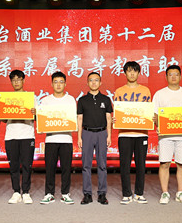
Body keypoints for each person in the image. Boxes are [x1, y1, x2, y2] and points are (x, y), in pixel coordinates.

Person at [152, 65, 182, 204]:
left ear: (180, 76)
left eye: (176, 74)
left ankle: (180, 193)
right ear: (166, 76)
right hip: (165, 136)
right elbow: (155, 115)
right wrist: (157, 124)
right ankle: (165, 193)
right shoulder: (160, 94)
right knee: (164, 164)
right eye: (170, 74)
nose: (173, 77)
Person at [112, 61, 151, 205]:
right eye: (129, 71)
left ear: (139, 73)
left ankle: (139, 193)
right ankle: (126, 194)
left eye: (135, 71)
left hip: (141, 134)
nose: (132, 73)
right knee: (125, 165)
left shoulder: (146, 91)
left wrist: (151, 118)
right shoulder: (119, 91)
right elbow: (117, 112)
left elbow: (148, 111)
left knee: (141, 165)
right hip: (124, 134)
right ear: (125, 73)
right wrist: (115, 118)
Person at [39, 71, 77, 204]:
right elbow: (42, 119)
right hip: (51, 139)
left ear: (65, 84)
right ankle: (49, 193)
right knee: (50, 168)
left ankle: (65, 193)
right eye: (56, 82)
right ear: (51, 84)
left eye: (61, 82)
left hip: (66, 139)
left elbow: (73, 118)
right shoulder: (45, 100)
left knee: (66, 168)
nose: (58, 85)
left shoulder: (70, 99)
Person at [77, 72, 113, 205]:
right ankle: (87, 194)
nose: (93, 82)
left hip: (102, 133)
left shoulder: (106, 99)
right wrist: (79, 137)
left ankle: (102, 194)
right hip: (87, 133)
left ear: (100, 82)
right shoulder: (82, 100)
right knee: (86, 165)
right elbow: (79, 119)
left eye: (96, 80)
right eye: (91, 80)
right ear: (87, 83)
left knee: (102, 165)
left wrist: (109, 135)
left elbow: (108, 118)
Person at [3, 70, 36, 204]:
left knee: (27, 165)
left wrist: (35, 113)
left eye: (19, 79)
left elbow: (37, 117)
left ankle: (26, 192)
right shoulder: (6, 99)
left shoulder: (31, 97)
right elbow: (3, 119)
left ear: (23, 80)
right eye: (13, 80)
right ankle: (16, 192)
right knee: (14, 166)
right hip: (11, 135)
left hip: (27, 135)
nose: (16, 82)